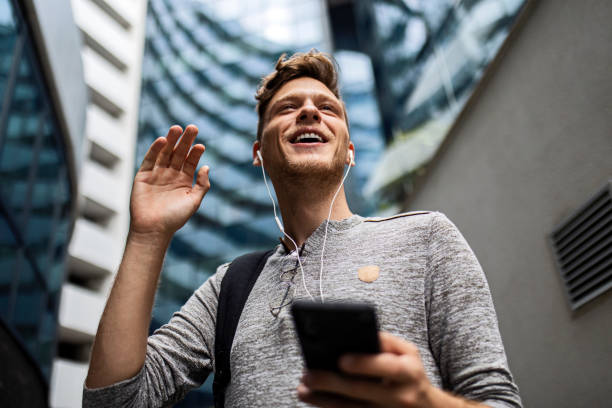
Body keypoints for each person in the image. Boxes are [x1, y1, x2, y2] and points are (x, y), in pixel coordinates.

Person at [83, 51, 522, 408]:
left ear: (349, 150)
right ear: (259, 153)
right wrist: (148, 236)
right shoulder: (229, 288)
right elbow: (114, 402)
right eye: (287, 109)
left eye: (327, 108)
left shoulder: (427, 239)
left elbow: (498, 400)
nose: (310, 111)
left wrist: (427, 404)